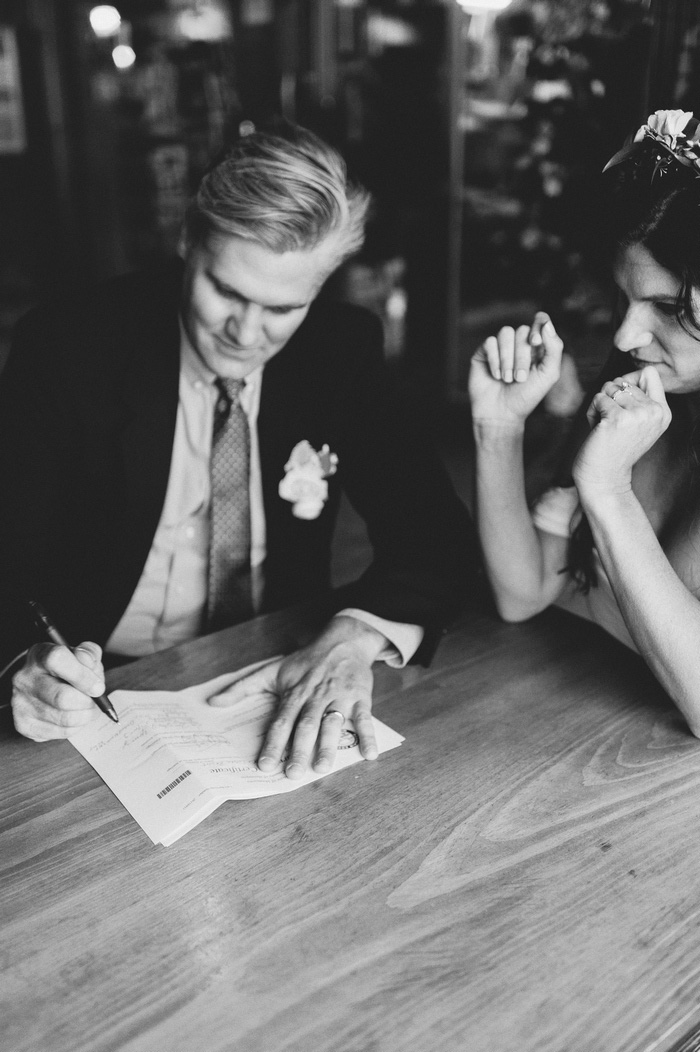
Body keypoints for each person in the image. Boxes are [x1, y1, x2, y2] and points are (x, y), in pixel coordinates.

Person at [0, 121, 475, 771]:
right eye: (225, 290)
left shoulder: (341, 352)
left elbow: (436, 536)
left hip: (268, 663)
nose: (246, 333)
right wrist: (20, 669)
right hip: (101, 688)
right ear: (188, 242)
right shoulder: (67, 348)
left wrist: (356, 635)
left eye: (282, 308)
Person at [469, 107, 700, 736]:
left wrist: (609, 491)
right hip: (579, 733)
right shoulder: (645, 404)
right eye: (625, 299)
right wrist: (499, 429)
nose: (627, 334)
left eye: (665, 307)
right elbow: (524, 591)